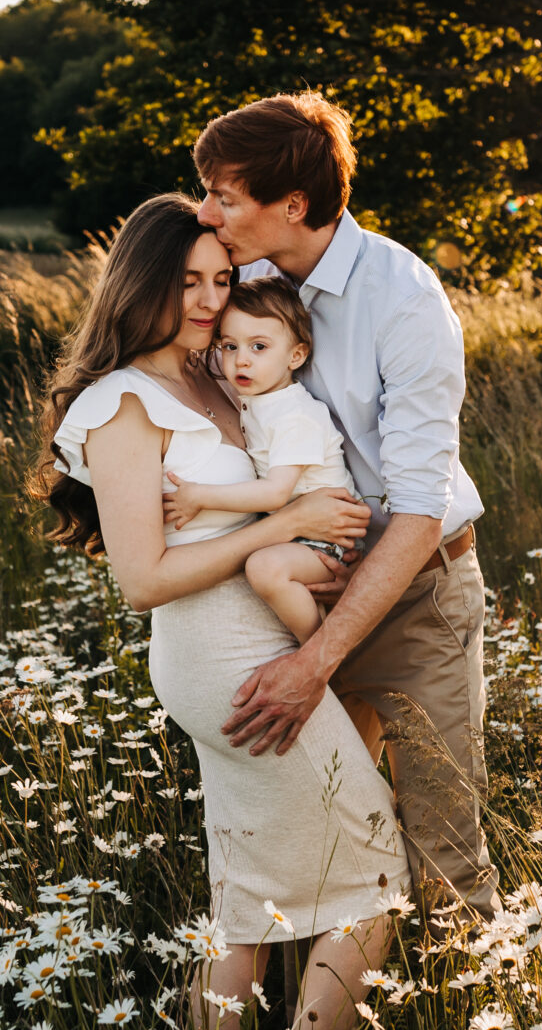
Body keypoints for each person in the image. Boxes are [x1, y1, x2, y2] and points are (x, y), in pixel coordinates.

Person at [33, 193, 399, 1030]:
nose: (207, 300)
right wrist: (283, 525)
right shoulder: (118, 403)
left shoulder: (213, 379)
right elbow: (142, 578)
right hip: (224, 658)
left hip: (258, 642)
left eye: (220, 278)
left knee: (248, 904)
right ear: (139, 281)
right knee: (375, 884)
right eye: (186, 281)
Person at [195, 93, 501, 922]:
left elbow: (416, 509)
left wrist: (316, 660)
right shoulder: (237, 284)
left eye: (223, 194)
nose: (205, 210)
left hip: (416, 596)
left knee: (442, 850)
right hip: (297, 582)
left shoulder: (404, 298)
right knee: (323, 835)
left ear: (291, 205)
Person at [158, 275, 387, 767]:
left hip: (328, 543)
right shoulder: (255, 402)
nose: (241, 359)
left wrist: (200, 496)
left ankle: (325, 653)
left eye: (259, 346)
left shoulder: (294, 415)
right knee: (263, 563)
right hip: (303, 535)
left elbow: (277, 492)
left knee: (264, 568)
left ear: (296, 356)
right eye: (230, 345)